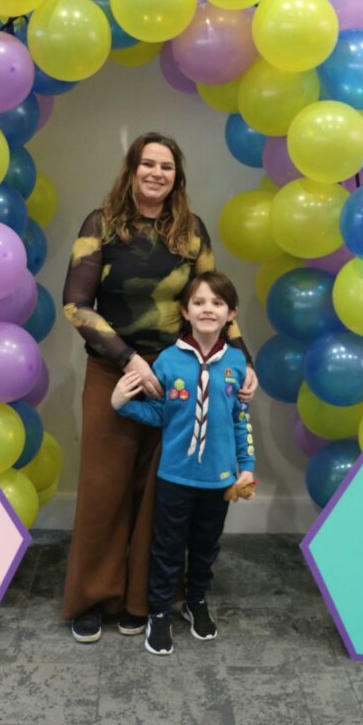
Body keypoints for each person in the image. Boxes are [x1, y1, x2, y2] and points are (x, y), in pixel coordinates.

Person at [62, 133, 257, 643]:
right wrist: (128, 360)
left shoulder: (191, 232)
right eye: (147, 164)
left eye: (166, 166)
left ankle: (143, 600)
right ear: (131, 171)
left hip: (178, 372)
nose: (156, 173)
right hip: (114, 372)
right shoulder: (100, 225)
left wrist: (245, 361)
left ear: (177, 177)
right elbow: (76, 305)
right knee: (105, 490)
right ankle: (93, 598)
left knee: (160, 494)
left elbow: (215, 300)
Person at [111, 271, 256, 656]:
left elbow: (240, 418)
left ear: (231, 314)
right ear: (185, 311)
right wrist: (122, 405)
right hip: (175, 476)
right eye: (199, 302)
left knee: (206, 547)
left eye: (217, 303)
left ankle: (197, 601)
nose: (208, 309)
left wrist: (247, 464)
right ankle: (159, 611)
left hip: (220, 479)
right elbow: (160, 413)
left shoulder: (237, 363)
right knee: (167, 547)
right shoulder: (167, 361)